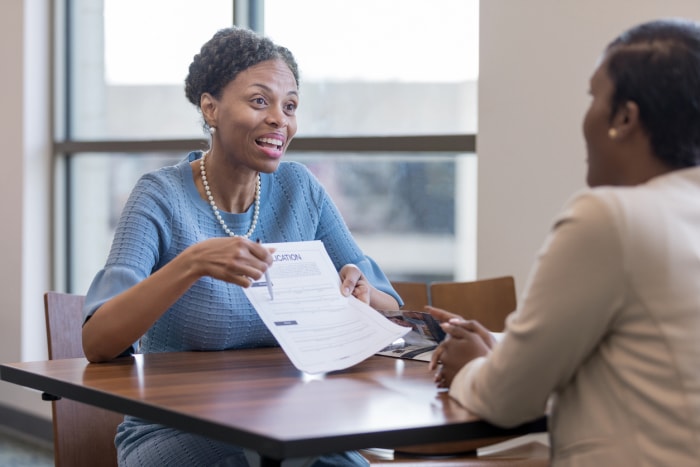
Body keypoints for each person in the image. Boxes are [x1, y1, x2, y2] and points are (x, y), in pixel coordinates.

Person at [81, 26, 400, 467]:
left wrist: (360, 293)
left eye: (290, 106)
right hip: (179, 427)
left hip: (291, 423)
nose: (279, 120)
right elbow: (98, 341)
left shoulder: (301, 189)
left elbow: (390, 307)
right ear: (210, 108)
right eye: (259, 101)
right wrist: (190, 264)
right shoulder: (160, 195)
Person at [428, 18, 700, 466]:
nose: (586, 116)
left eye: (594, 97)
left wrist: (473, 367)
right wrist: (505, 357)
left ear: (625, 118)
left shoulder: (610, 218)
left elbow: (504, 400)